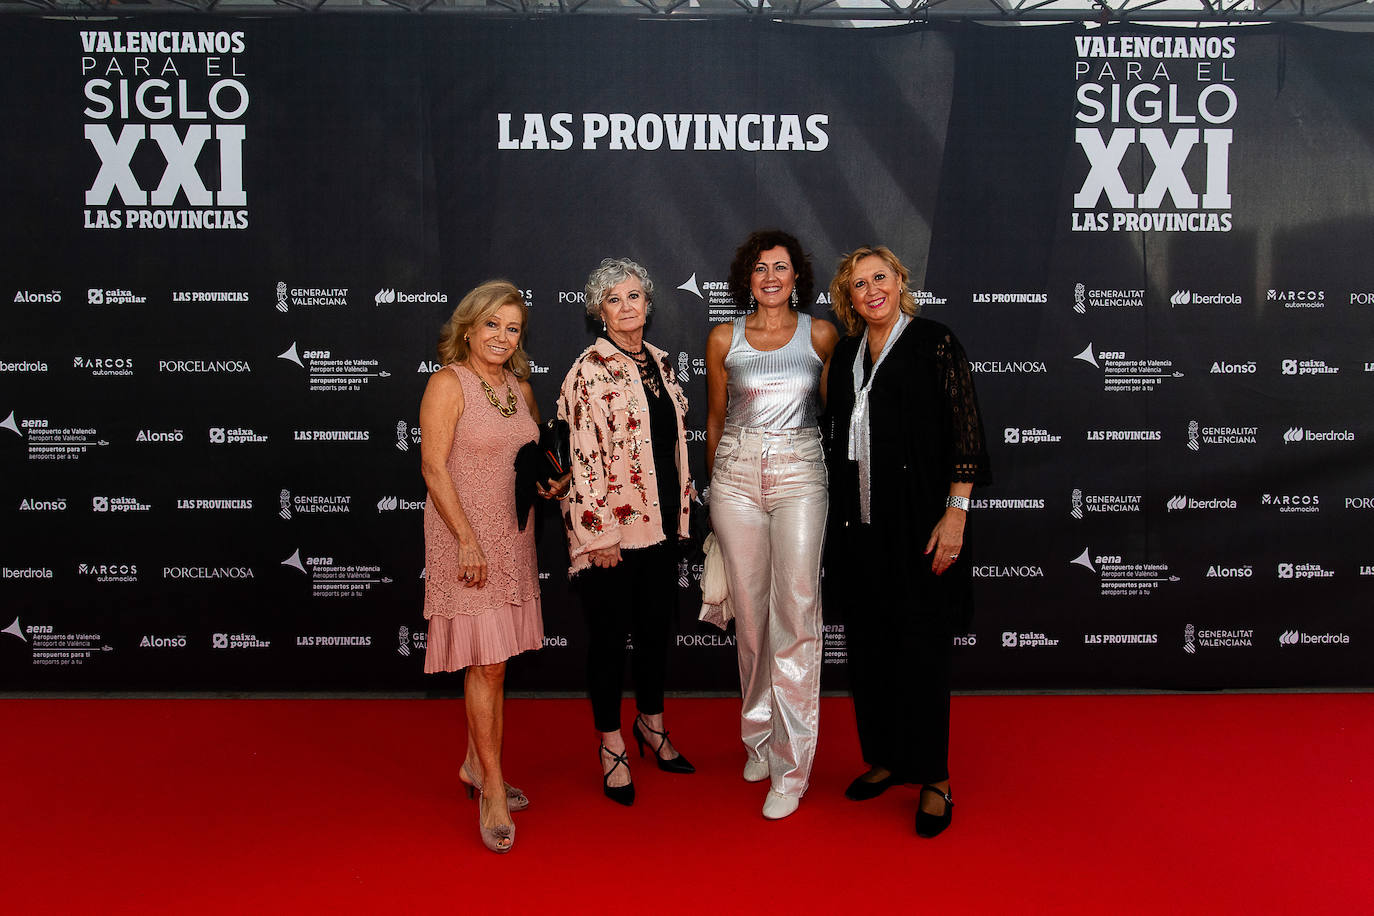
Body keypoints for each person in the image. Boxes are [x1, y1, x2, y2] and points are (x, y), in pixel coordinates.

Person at [822, 245, 990, 838]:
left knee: (920, 648)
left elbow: (966, 431)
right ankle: (889, 757)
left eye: (880, 278)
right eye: (859, 284)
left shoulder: (934, 342)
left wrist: (956, 513)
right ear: (849, 299)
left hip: (921, 523)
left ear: (900, 281)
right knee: (871, 649)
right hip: (860, 528)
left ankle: (936, 779)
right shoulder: (845, 353)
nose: (872, 290)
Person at [419, 279, 560, 854]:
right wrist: (467, 540)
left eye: (513, 328)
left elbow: (529, 455)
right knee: (489, 664)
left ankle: (477, 767)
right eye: (492, 325)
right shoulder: (448, 383)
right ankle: (492, 789)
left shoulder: (519, 385)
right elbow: (433, 468)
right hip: (465, 538)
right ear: (469, 327)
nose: (502, 337)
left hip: (513, 536)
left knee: (496, 664)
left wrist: (550, 484)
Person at [705, 229, 838, 820]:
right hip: (733, 479)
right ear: (747, 277)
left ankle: (792, 765)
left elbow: (832, 415)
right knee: (753, 620)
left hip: (800, 477)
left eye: (780, 267)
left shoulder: (822, 334)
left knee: (798, 615)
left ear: (796, 277)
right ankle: (758, 733)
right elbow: (714, 420)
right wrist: (713, 492)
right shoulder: (722, 338)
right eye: (760, 268)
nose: (770, 277)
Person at [558, 257, 696, 807]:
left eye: (634, 296)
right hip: (611, 535)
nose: (626, 306)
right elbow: (582, 457)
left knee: (658, 632)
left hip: (660, 525)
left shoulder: (659, 364)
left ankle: (652, 726)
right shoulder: (587, 369)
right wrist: (600, 536)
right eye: (614, 299)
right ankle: (611, 744)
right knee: (610, 641)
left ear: (648, 304)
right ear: (599, 311)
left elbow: (671, 448)